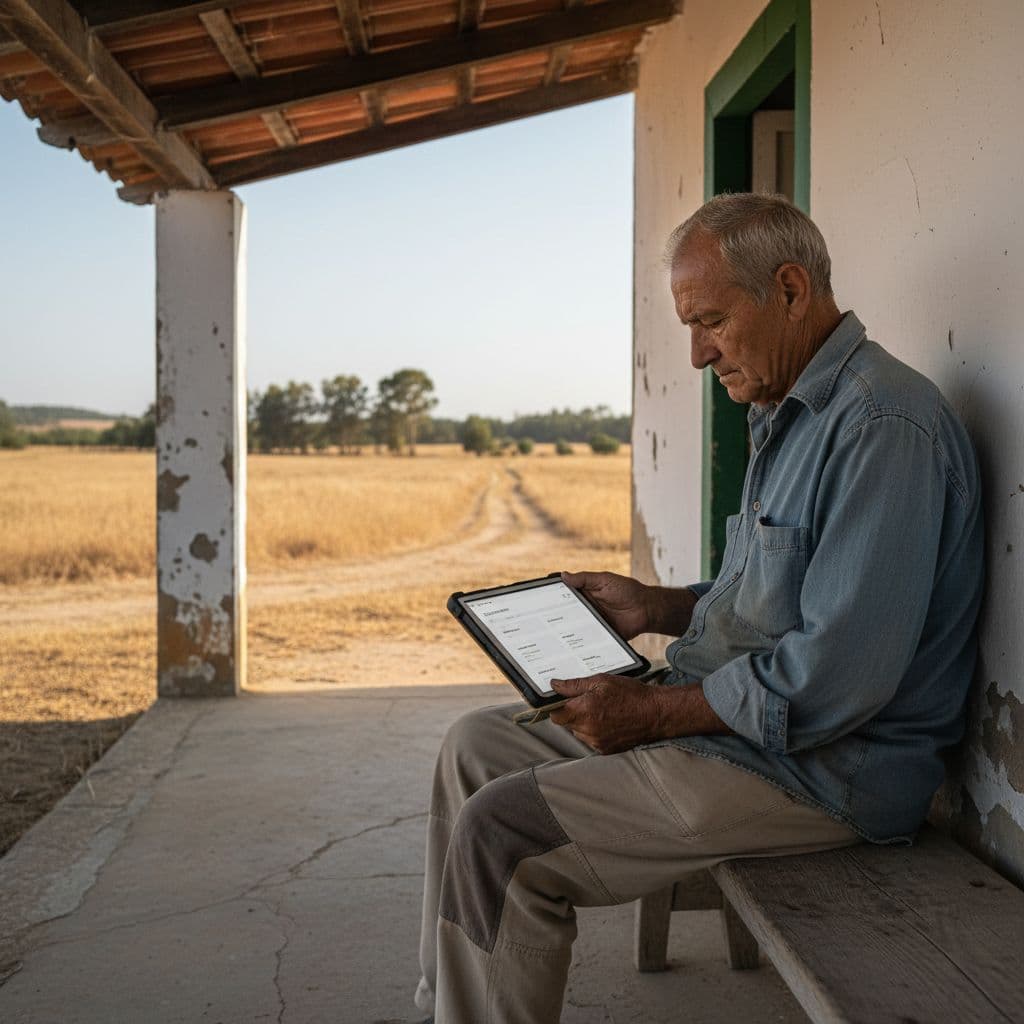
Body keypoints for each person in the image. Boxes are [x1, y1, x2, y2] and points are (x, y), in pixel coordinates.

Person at [413, 193, 985, 1024]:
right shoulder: (784, 412)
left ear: (789, 289)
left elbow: (837, 678)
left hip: (822, 771)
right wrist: (660, 605)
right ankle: (444, 1006)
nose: (693, 354)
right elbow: (771, 600)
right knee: (472, 746)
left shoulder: (882, 425)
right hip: (748, 735)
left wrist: (653, 715)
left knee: (507, 835)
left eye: (710, 320)